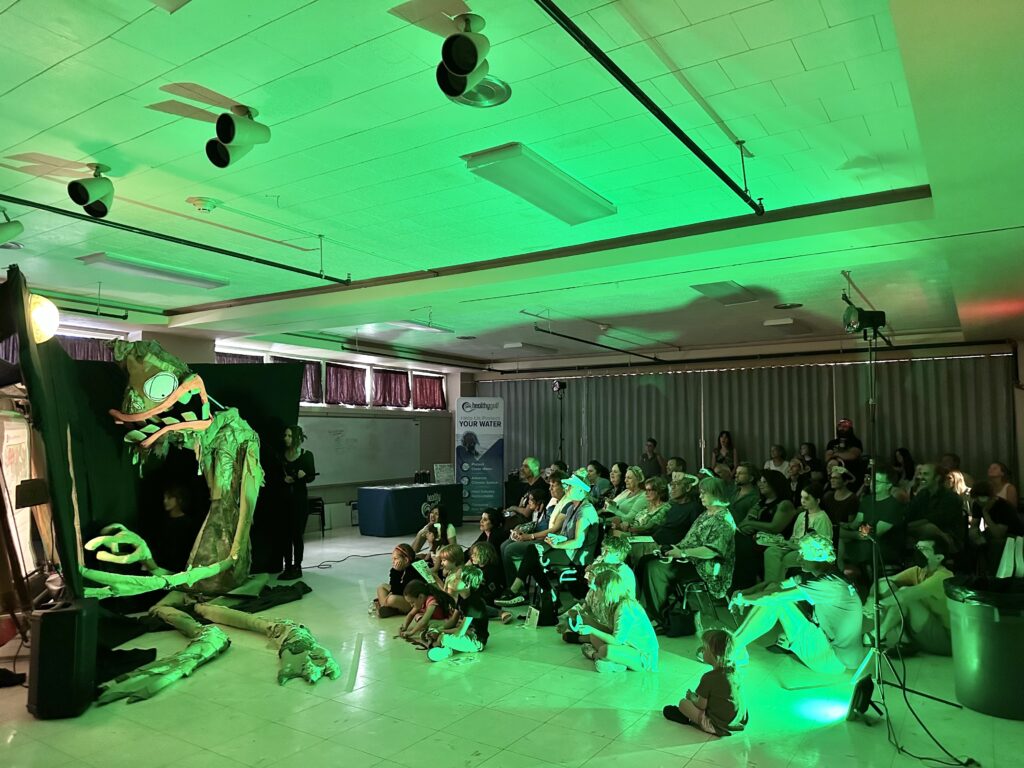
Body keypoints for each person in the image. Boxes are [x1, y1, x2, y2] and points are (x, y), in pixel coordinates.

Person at [731, 534, 863, 675]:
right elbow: (775, 585)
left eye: (803, 554)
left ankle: (732, 648)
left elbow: (774, 596)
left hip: (833, 660)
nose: (798, 559)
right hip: (838, 652)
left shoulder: (828, 584)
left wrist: (744, 600)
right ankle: (735, 646)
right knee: (775, 593)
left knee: (779, 603)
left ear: (818, 557)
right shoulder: (827, 575)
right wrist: (742, 593)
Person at [637, 477, 737, 627]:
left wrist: (682, 553)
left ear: (716, 494)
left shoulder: (723, 520)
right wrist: (672, 549)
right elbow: (689, 540)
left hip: (707, 567)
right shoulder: (706, 514)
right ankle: (644, 610)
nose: (700, 496)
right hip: (690, 558)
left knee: (656, 568)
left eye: (704, 493)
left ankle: (660, 618)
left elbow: (711, 551)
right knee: (644, 560)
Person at [496, 473, 599, 607]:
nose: (567, 489)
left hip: (575, 554)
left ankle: (524, 591)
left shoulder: (584, 511)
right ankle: (538, 592)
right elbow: (566, 534)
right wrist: (556, 539)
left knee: (532, 557)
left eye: (570, 487)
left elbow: (578, 542)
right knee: (532, 551)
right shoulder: (573, 507)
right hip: (567, 548)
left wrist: (557, 544)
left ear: (580, 490)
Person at [738, 483, 833, 596]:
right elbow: (794, 536)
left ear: (817, 500)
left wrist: (797, 546)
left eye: (807, 498)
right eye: (802, 497)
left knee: (786, 559)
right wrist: (782, 541)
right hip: (795, 546)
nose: (803, 501)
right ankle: (770, 586)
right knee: (771, 552)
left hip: (809, 551)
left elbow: (822, 545)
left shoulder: (822, 518)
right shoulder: (801, 515)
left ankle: (776, 590)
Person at [873, 539, 953, 656]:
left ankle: (877, 635)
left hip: (946, 641)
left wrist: (877, 604)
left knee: (905, 598)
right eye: (917, 548)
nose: (917, 552)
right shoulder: (919, 571)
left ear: (938, 558)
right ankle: (906, 642)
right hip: (927, 630)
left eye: (923, 549)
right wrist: (881, 593)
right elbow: (883, 581)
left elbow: (904, 595)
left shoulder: (943, 577)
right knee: (893, 590)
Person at [663, 629, 748, 737]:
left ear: (714, 654)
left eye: (705, 648)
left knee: (683, 703)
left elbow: (701, 705)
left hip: (719, 726)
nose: (702, 651)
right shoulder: (735, 672)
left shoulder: (709, 678)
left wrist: (692, 697)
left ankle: (686, 717)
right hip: (738, 722)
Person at [578, 569, 659, 673]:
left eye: (598, 588)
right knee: (594, 636)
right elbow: (609, 630)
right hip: (627, 647)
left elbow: (616, 640)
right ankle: (615, 662)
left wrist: (591, 629)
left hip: (643, 657)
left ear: (606, 590)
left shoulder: (625, 608)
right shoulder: (615, 604)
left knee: (605, 650)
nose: (595, 590)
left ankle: (596, 656)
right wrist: (584, 619)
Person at [561, 536, 637, 643]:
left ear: (618, 554)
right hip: (601, 611)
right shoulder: (602, 566)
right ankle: (585, 635)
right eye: (603, 549)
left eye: (607, 551)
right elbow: (590, 599)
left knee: (606, 648)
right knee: (574, 614)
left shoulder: (623, 572)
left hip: (614, 614)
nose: (603, 553)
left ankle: (585, 638)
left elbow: (612, 596)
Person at [733, 470, 798, 590]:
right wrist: (746, 525)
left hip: (775, 541)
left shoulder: (784, 504)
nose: (760, 484)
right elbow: (744, 523)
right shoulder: (760, 503)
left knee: (743, 547)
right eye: (760, 482)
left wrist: (751, 523)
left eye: (764, 482)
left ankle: (750, 587)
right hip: (756, 539)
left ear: (775, 484)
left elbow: (775, 527)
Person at [839, 466, 906, 572]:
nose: (872, 483)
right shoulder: (867, 500)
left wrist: (845, 533)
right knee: (837, 541)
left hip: (882, 546)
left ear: (888, 485)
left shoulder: (893, 505)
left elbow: (874, 534)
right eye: (872, 480)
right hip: (865, 538)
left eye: (878, 482)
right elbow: (855, 524)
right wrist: (843, 526)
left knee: (843, 541)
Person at [500, 479, 567, 586]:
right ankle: (509, 582)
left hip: (548, 542)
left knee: (509, 549)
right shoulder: (553, 504)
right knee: (504, 545)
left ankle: (515, 587)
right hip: (540, 537)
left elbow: (552, 530)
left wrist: (530, 536)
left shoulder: (562, 506)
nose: (550, 488)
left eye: (553, 486)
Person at [426, 564, 490, 662]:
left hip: (475, 642)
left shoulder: (474, 604)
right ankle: (443, 645)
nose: (453, 580)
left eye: (457, 579)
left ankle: (446, 651)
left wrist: (439, 632)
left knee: (442, 638)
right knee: (434, 626)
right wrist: (437, 629)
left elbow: (461, 631)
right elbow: (453, 621)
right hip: (465, 634)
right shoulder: (462, 596)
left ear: (467, 584)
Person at [280, 424, 317, 580]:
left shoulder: (307, 455)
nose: (286, 439)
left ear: (296, 438)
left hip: (300, 500)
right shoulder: (281, 456)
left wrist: (304, 475)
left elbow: (312, 476)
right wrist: (283, 479)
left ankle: (298, 566)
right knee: (285, 535)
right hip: (285, 500)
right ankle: (287, 566)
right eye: (285, 435)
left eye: (289, 436)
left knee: (297, 535)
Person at [967, 481, 1024, 576]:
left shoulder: (1004, 507)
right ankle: (977, 574)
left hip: (1013, 536)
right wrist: (975, 534)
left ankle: (994, 576)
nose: (979, 502)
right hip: (994, 532)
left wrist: (985, 513)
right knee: (973, 543)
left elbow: (998, 534)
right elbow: (974, 525)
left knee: (996, 544)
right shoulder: (977, 504)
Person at [906, 463, 965, 552]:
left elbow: (935, 519)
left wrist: (908, 526)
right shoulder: (922, 494)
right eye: (920, 474)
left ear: (937, 478)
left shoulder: (950, 497)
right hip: (921, 531)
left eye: (925, 474)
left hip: (948, 537)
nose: (921, 477)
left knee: (929, 528)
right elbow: (909, 512)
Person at [144, 483, 201, 574]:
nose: (165, 501)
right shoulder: (161, 522)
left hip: (178, 571)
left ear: (179, 499)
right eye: (164, 498)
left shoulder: (188, 523)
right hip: (159, 568)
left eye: (169, 498)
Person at [374, 543, 423, 618]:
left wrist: (396, 572)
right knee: (381, 587)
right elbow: (395, 589)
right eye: (392, 559)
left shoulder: (412, 571)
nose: (393, 562)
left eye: (395, 559)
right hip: (403, 593)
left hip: (413, 602)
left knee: (391, 599)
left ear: (406, 560)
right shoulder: (405, 567)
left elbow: (398, 592)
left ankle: (386, 606)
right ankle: (389, 607)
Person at [655, 472, 703, 545]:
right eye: (671, 484)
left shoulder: (694, 508)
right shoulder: (672, 506)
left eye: (677, 484)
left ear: (688, 487)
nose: (672, 488)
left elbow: (694, 535)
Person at [506, 457, 549, 523]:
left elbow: (527, 513)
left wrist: (514, 508)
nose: (522, 469)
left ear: (535, 469)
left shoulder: (540, 487)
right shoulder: (527, 486)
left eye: (526, 467)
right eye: (522, 466)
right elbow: (521, 506)